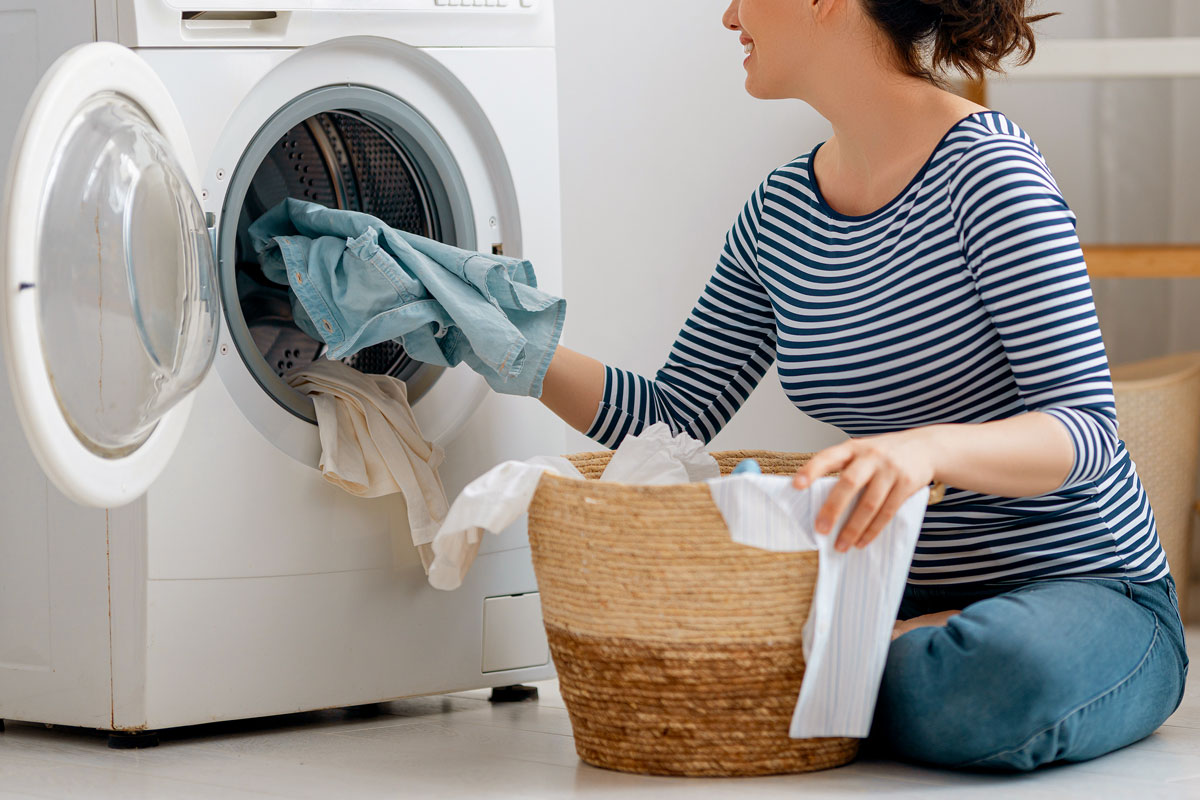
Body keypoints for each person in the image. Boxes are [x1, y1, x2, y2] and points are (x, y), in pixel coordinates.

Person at [534, 0, 1188, 772]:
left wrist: (923, 452)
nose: (729, 15)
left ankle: (839, 682)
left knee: (990, 678)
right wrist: (515, 347)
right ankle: (867, 666)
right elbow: (673, 417)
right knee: (903, 674)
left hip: (1083, 589)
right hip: (890, 602)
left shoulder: (988, 173)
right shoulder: (778, 214)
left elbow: (1082, 429)